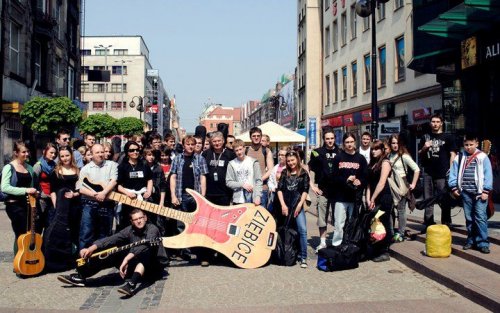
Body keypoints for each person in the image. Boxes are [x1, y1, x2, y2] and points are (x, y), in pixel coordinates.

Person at [57, 209, 168, 297]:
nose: (139, 221)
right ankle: (82, 276)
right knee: (112, 252)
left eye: (141, 218)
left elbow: (144, 246)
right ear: (132, 221)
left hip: (154, 267)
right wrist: (91, 248)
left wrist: (126, 259)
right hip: (135, 265)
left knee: (146, 253)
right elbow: (112, 239)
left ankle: (131, 286)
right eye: (135, 219)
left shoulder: (152, 229)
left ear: (145, 218)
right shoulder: (129, 230)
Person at [448, 133, 493, 254]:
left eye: (471, 144)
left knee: (480, 217)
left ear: (477, 144)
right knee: (469, 218)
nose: (468, 147)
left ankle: (482, 242)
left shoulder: (483, 157)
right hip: (466, 192)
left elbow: (488, 175)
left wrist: (486, 191)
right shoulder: (460, 157)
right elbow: (453, 172)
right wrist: (453, 187)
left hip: (479, 193)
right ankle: (471, 240)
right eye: (466, 144)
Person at [200, 131, 236, 266]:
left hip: (225, 195)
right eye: (214, 141)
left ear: (223, 141)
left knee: (224, 226)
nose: (216, 143)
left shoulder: (229, 154)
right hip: (209, 195)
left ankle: (222, 255)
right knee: (207, 226)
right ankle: (206, 256)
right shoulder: (206, 154)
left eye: (218, 141)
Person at [169, 135, 208, 260]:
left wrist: (203, 196)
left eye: (193, 144)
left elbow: (203, 177)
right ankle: (184, 251)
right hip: (181, 196)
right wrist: (173, 195)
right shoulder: (177, 159)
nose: (191, 146)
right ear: (183, 145)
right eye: (188, 144)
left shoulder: (200, 159)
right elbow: (173, 177)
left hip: (195, 196)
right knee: (181, 225)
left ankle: (198, 251)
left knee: (197, 224)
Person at [418, 114, 457, 229]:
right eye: (433, 121)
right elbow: (420, 153)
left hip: (443, 172)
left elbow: (453, 154)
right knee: (428, 198)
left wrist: (451, 170)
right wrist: (425, 147)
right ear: (430, 123)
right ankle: (429, 222)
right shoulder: (425, 137)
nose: (435, 124)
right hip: (428, 172)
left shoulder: (448, 137)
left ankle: (446, 222)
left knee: (444, 198)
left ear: (441, 123)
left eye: (437, 121)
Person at [77, 144, 118, 250]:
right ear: (92, 154)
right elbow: (81, 188)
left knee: (104, 233)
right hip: (89, 204)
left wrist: (104, 193)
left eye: (102, 152)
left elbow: (113, 181)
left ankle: (102, 259)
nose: (100, 154)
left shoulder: (112, 165)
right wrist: (96, 195)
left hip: (107, 203)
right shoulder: (85, 169)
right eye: (97, 152)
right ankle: (84, 260)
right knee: (86, 232)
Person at [1, 141, 39, 253]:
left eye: (28, 151)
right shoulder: (9, 167)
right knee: (20, 232)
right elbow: (5, 187)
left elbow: (33, 186)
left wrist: (35, 193)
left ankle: (27, 261)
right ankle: (19, 263)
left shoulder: (30, 168)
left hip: (28, 205)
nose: (26, 154)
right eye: (23, 152)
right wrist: (26, 190)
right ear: (16, 153)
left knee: (29, 232)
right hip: (14, 205)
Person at [331, 132, 368, 246]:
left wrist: (360, 181)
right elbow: (334, 177)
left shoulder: (360, 158)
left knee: (353, 223)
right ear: (343, 144)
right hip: (340, 197)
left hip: (354, 197)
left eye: (351, 141)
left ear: (355, 142)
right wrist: (346, 179)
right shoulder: (338, 157)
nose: (349, 144)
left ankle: (351, 245)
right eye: (347, 142)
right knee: (339, 224)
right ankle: (337, 245)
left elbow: (365, 176)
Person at [275, 150, 310, 268]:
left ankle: (303, 256)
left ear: (297, 159)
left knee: (302, 230)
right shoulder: (285, 172)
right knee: (285, 229)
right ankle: (285, 253)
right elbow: (279, 189)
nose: (290, 163)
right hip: (285, 205)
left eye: (292, 160)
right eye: (288, 161)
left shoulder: (303, 173)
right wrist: (283, 205)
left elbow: (305, 190)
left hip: (297, 206)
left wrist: (300, 205)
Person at [308, 127, 340, 251]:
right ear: (324, 139)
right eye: (327, 139)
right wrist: (312, 185)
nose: (330, 141)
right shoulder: (317, 152)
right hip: (323, 191)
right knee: (322, 217)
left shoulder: (340, 152)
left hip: (337, 192)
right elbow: (308, 168)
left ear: (335, 139)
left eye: (332, 138)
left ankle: (337, 242)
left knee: (338, 218)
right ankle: (322, 242)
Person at [388, 134, 420, 241]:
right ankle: (391, 232)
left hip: (402, 184)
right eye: (393, 143)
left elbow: (416, 169)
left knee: (401, 210)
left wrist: (413, 184)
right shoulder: (388, 155)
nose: (395, 145)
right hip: (391, 184)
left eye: (397, 143)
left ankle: (401, 233)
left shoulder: (404, 156)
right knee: (390, 209)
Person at [365, 140, 393, 262]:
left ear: (382, 150)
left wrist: (373, 198)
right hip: (374, 198)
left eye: (376, 149)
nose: (373, 151)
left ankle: (384, 251)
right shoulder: (371, 163)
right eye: (372, 149)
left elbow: (381, 183)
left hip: (384, 198)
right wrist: (368, 199)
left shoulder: (385, 162)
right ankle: (376, 248)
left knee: (382, 223)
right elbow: (369, 184)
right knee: (374, 223)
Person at [50, 147, 81, 250]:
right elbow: (53, 191)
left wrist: (74, 195)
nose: (65, 158)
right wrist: (56, 206)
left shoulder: (78, 171)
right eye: (62, 156)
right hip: (61, 207)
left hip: (75, 206)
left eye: (67, 155)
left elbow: (81, 189)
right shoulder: (56, 172)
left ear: (71, 155)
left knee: (74, 230)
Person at [117, 141, 153, 230]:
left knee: (144, 222)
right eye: (132, 150)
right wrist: (127, 193)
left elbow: (150, 179)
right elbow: (118, 185)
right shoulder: (122, 166)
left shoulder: (144, 164)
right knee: (128, 223)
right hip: (128, 199)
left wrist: (149, 191)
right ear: (127, 152)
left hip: (143, 198)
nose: (135, 152)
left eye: (137, 150)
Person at [226, 139, 262, 205]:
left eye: (240, 149)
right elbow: (228, 182)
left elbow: (258, 181)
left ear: (244, 148)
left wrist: (257, 196)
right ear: (234, 151)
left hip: (252, 198)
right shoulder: (231, 164)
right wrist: (242, 185)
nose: (239, 152)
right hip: (238, 199)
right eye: (236, 150)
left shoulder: (253, 162)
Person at [245, 127, 274, 209]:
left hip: (262, 188)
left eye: (258, 135)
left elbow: (270, 170)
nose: (256, 137)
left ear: (261, 137)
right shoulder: (245, 150)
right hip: (248, 188)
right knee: (248, 216)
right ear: (250, 137)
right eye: (254, 136)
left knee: (260, 216)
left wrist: (258, 181)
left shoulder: (267, 151)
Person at [143, 147, 167, 235]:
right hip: (144, 200)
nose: (151, 157)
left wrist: (162, 202)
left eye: (153, 155)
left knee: (158, 223)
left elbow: (163, 186)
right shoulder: (142, 166)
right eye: (149, 155)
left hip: (156, 200)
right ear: (145, 156)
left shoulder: (159, 168)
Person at [33, 143, 57, 228]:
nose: (53, 155)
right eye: (51, 152)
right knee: (38, 225)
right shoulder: (38, 166)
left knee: (49, 225)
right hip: (41, 199)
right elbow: (34, 183)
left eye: (55, 153)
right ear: (44, 152)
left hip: (52, 198)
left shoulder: (55, 166)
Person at [268, 147, 289, 214]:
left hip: (287, 196)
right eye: (279, 155)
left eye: (282, 155)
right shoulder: (276, 167)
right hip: (276, 195)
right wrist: (272, 187)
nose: (280, 157)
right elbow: (270, 180)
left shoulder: (291, 168)